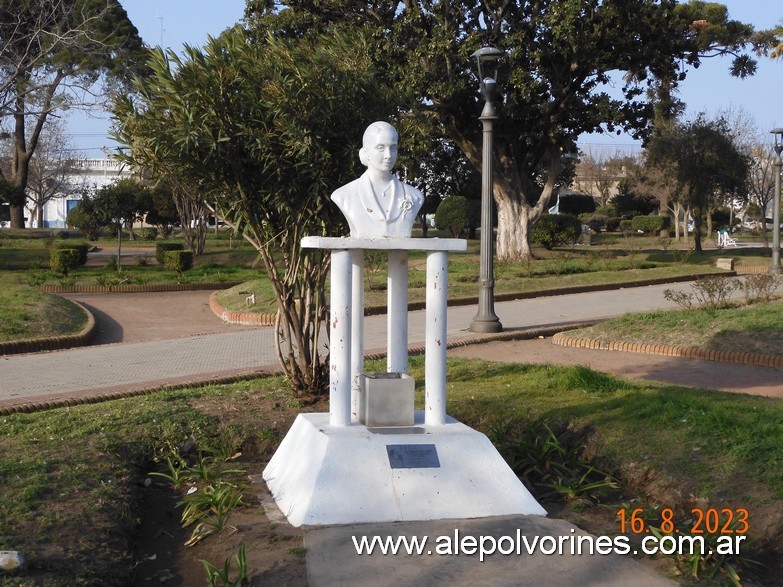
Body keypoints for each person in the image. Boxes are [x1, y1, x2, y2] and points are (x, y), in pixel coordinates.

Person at [331, 121, 423, 238]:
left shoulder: (415, 196)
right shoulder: (343, 195)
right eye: (380, 148)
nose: (388, 155)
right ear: (366, 152)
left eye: (393, 148)